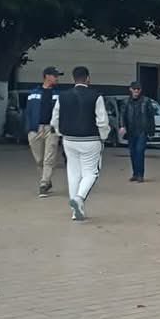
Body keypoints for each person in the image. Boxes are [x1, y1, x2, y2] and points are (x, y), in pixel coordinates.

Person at [51, 66, 109, 221]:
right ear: (88, 78)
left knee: (73, 172)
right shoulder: (96, 96)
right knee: (91, 172)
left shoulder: (62, 96)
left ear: (73, 78)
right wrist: (103, 136)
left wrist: (60, 132)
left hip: (69, 139)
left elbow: (55, 118)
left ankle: (75, 211)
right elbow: (102, 121)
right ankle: (79, 198)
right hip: (90, 139)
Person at [24, 66, 62, 197]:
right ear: (47, 76)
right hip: (35, 129)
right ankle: (46, 180)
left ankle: (44, 183)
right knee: (39, 159)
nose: (57, 78)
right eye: (55, 75)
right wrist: (29, 129)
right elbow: (28, 112)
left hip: (51, 129)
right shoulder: (34, 93)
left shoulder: (59, 94)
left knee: (49, 158)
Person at [118, 81, 155, 183]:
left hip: (142, 130)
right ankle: (135, 173)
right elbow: (122, 115)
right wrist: (122, 126)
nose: (136, 91)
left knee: (139, 152)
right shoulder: (126, 102)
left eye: (138, 89)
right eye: (134, 89)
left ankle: (140, 175)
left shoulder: (146, 101)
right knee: (133, 152)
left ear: (140, 90)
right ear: (130, 89)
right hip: (131, 131)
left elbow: (151, 116)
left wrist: (152, 131)